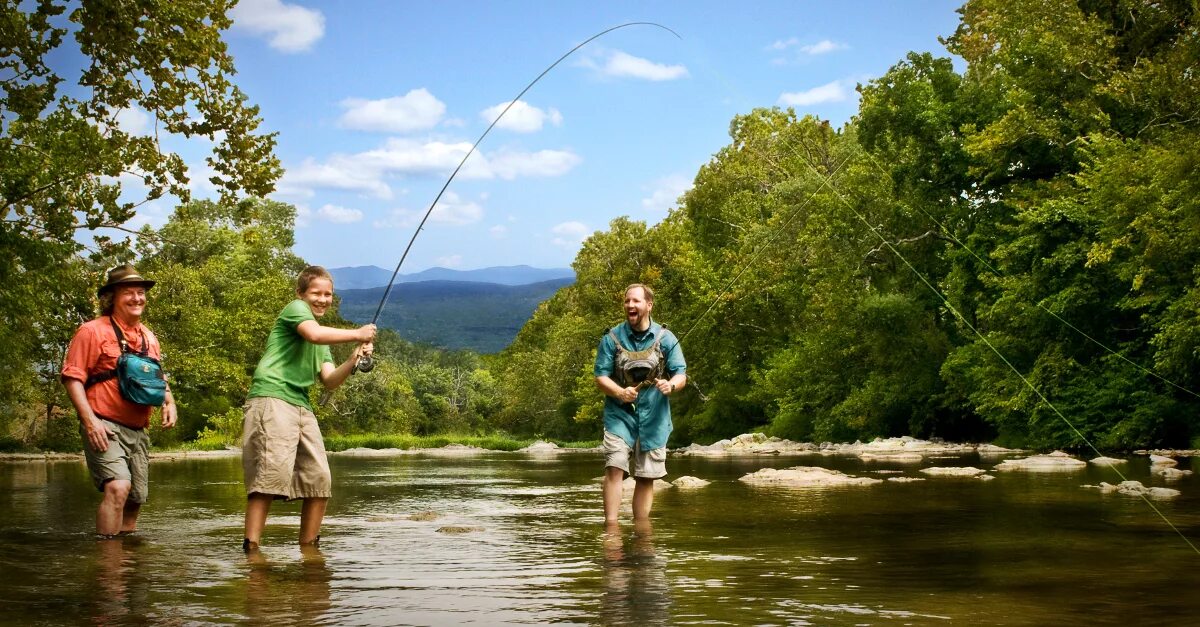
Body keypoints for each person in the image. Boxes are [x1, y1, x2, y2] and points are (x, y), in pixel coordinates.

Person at [242, 265, 375, 551]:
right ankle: (251, 549)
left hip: (301, 403)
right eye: (316, 293)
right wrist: (357, 333)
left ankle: (309, 549)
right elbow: (313, 334)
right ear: (301, 294)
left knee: (319, 479)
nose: (323, 299)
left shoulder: (321, 340)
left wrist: (353, 358)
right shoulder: (295, 310)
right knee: (269, 477)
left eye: (328, 295)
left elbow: (329, 380)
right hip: (271, 398)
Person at [61, 264, 178, 538]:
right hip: (104, 424)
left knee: (136, 498)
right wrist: (90, 423)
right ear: (112, 298)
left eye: (141, 292)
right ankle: (108, 565)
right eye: (129, 292)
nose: (137, 298)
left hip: (138, 429)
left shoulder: (149, 336)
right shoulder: (91, 331)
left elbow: (157, 375)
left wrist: (169, 401)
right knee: (118, 488)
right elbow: (72, 378)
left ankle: (125, 561)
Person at [594, 284, 686, 522]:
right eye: (627, 301)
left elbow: (680, 374)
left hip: (655, 417)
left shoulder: (666, 338)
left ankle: (641, 534)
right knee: (614, 467)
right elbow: (601, 377)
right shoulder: (611, 338)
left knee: (645, 477)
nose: (630, 306)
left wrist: (671, 385)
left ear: (649, 305)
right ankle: (611, 531)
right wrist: (619, 392)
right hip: (619, 415)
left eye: (635, 301)